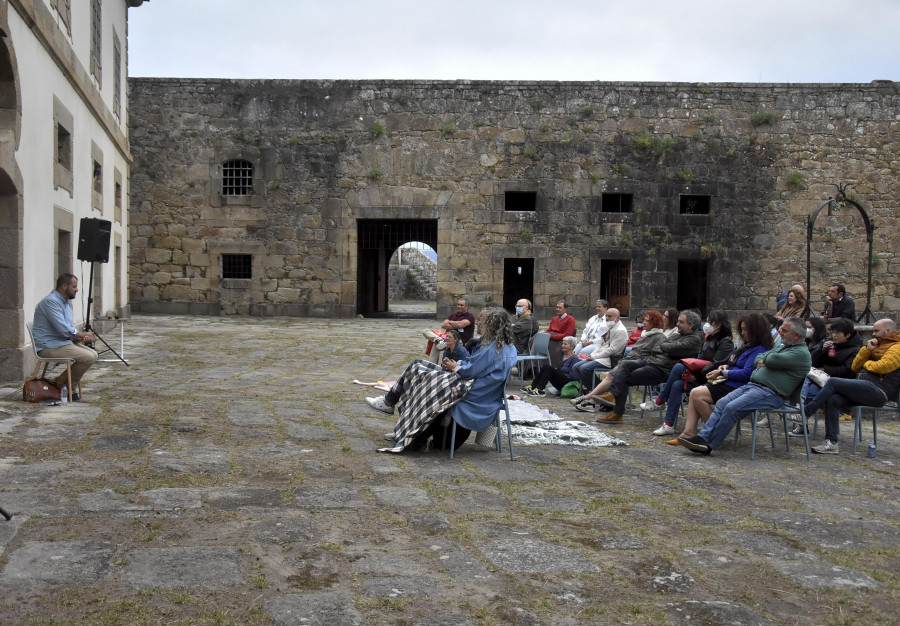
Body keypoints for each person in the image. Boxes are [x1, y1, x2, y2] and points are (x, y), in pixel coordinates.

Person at [367, 309, 517, 452]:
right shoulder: (508, 348)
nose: (478, 323)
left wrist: (455, 366)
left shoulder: (492, 349)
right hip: (482, 389)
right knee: (419, 367)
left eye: (483, 321)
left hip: (474, 390)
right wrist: (458, 366)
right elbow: (475, 366)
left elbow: (471, 371)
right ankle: (402, 421)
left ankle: (410, 429)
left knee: (427, 385)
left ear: (492, 326)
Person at [677, 317, 811, 455]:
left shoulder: (800, 353)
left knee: (731, 408)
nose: (779, 332)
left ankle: (710, 444)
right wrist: (766, 360)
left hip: (771, 393)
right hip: (754, 386)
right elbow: (760, 358)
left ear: (796, 336)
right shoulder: (784, 348)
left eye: (784, 330)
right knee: (722, 403)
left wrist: (767, 360)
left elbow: (770, 358)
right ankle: (702, 438)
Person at [667, 314, 772, 445]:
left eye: (745, 329)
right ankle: (689, 433)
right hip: (728, 381)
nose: (743, 333)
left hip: (737, 386)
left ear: (755, 330)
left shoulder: (759, 349)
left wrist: (723, 372)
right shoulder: (747, 346)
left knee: (697, 394)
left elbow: (747, 373)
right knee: (695, 392)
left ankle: (713, 432)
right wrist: (726, 367)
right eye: (742, 329)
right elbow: (735, 364)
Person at [801, 318, 900, 455]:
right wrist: (867, 350)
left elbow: (883, 367)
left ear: (888, 331)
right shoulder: (875, 346)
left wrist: (867, 364)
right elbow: (855, 366)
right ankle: (832, 443)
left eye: (876, 331)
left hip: (879, 392)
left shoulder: (897, 348)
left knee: (834, 381)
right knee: (833, 399)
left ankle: (805, 413)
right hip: (864, 389)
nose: (873, 334)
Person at [646, 310, 734, 436]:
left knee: (678, 367)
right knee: (677, 385)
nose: (706, 324)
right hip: (701, 374)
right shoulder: (709, 338)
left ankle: (660, 399)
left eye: (710, 322)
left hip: (711, 379)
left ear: (718, 325)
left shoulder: (725, 342)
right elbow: (699, 358)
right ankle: (668, 424)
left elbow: (716, 364)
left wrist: (697, 375)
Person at [31, 273, 98, 401]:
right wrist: (79, 334)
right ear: (64, 286)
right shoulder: (50, 301)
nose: (77, 289)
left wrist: (80, 338)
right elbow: (62, 327)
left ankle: (59, 382)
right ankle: (67, 387)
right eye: (74, 286)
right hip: (48, 345)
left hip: (61, 342)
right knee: (87, 357)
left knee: (94, 354)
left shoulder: (66, 304)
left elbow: (66, 330)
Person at [792, 317, 863, 436]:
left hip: (840, 385)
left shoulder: (856, 350)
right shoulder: (833, 345)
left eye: (837, 333)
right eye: (833, 332)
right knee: (803, 384)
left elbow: (848, 370)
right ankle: (802, 418)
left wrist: (826, 369)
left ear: (847, 335)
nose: (834, 335)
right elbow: (814, 364)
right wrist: (821, 350)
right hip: (822, 381)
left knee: (807, 392)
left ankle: (802, 416)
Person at [571, 307, 628, 393]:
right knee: (575, 367)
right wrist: (592, 355)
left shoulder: (621, 331)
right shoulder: (608, 326)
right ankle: (593, 389)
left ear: (617, 318)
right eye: (606, 316)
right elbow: (601, 343)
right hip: (601, 356)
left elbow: (612, 350)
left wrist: (594, 357)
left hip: (611, 359)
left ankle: (600, 390)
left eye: (610, 316)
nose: (607, 318)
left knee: (584, 368)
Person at [545, 301, 576, 367]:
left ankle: (553, 367)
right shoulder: (554, 319)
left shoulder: (570, 319)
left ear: (565, 309)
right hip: (551, 338)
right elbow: (548, 330)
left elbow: (568, 334)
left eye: (560, 308)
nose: (557, 309)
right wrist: (544, 334)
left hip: (561, 341)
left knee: (550, 347)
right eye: (556, 307)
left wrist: (551, 336)